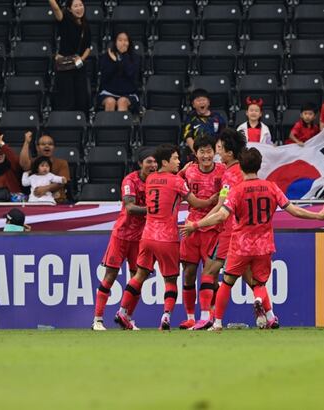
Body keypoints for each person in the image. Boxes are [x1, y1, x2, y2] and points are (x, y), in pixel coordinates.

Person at [180, 148, 324, 331]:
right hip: (264, 245)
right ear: (259, 166)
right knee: (259, 283)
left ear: (241, 167)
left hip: (241, 246)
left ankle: (218, 323)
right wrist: (318, 216)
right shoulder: (271, 187)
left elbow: (221, 216)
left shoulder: (237, 190)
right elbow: (294, 210)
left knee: (227, 282)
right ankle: (262, 304)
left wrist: (196, 225)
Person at [114, 144, 217, 330]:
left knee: (139, 275)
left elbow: (165, 185)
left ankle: (122, 311)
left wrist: (181, 174)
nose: (179, 162)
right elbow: (195, 203)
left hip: (147, 236)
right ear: (164, 162)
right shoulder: (176, 182)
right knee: (170, 280)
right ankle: (166, 316)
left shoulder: (151, 178)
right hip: (167, 238)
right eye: (175, 159)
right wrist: (211, 200)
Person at [188, 128, 254, 330]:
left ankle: (207, 318)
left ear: (229, 153)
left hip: (230, 230)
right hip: (247, 230)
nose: (217, 153)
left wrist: (198, 223)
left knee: (209, 271)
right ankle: (268, 315)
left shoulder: (228, 175)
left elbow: (221, 206)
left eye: (219, 149)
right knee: (249, 276)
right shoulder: (244, 171)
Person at [92, 148, 157, 331]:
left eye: (155, 162)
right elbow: (129, 207)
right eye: (149, 162)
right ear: (140, 163)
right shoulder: (130, 180)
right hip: (122, 235)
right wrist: (153, 210)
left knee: (138, 279)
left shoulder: (157, 181)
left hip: (141, 238)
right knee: (110, 276)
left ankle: (126, 318)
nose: (153, 165)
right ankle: (97, 320)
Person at [176, 136, 225, 329]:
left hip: (214, 228)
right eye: (202, 152)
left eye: (209, 151)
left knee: (210, 275)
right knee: (188, 273)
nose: (206, 155)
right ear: (195, 154)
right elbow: (173, 183)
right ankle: (190, 317)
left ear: (215, 152)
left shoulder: (223, 171)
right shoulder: (188, 171)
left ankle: (210, 315)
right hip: (191, 228)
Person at [49, 0, 91, 113]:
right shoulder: (65, 20)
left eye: (81, 5)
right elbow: (55, 8)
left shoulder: (86, 25)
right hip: (65, 67)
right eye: (75, 6)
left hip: (78, 66)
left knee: (81, 100)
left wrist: (81, 59)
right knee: (66, 101)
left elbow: (88, 47)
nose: (79, 8)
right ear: (69, 9)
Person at [19, 132, 71, 203]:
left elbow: (63, 182)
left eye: (50, 144)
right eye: (43, 144)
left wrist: (45, 188)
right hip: (36, 201)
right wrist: (26, 142)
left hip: (58, 201)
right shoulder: (35, 162)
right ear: (37, 148)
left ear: (54, 148)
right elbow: (24, 164)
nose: (47, 146)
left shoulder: (62, 163)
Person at [98, 32, 141, 112]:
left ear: (129, 43)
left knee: (122, 102)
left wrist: (122, 57)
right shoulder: (107, 56)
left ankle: (121, 121)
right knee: (110, 101)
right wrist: (114, 62)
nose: (123, 43)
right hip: (109, 92)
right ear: (115, 42)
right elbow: (106, 76)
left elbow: (130, 73)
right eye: (120, 40)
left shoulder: (135, 58)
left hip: (128, 93)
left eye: (125, 40)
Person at [182, 89, 227, 155]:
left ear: (209, 102)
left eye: (203, 100)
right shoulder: (190, 118)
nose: (201, 102)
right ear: (193, 104)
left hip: (215, 151)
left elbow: (223, 134)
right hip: (196, 152)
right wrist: (197, 152)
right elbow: (188, 137)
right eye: (198, 100)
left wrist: (215, 150)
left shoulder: (217, 117)